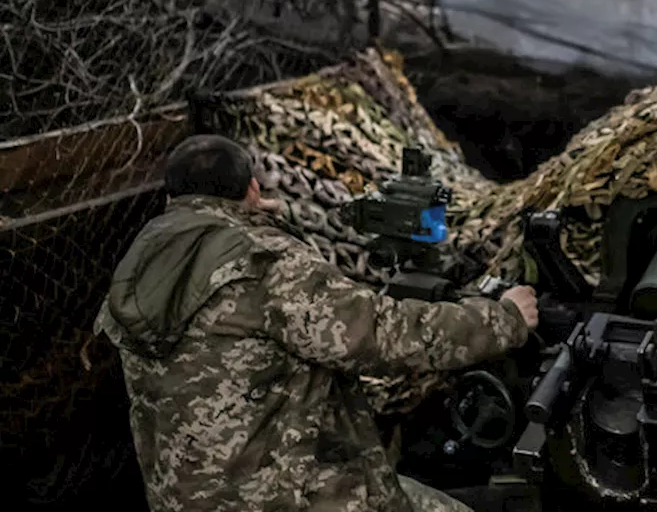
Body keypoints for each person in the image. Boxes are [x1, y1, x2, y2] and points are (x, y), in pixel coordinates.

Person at [95, 133, 538, 512]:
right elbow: (387, 338)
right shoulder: (266, 263)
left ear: (172, 196)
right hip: (272, 499)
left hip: (181, 496)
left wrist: (260, 223)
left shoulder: (145, 258)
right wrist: (506, 318)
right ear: (251, 188)